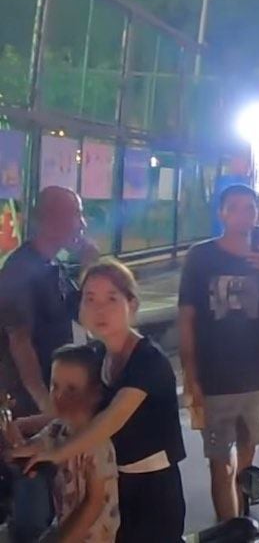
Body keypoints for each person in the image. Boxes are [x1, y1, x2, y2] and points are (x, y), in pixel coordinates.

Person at [17, 262, 186, 541]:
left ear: (131, 304)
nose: (100, 309)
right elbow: (73, 409)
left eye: (111, 298)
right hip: (112, 486)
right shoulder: (97, 354)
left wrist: (57, 453)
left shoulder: (149, 361)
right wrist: (22, 427)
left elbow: (109, 421)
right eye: (90, 298)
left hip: (152, 493)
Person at [178, 184, 259, 521]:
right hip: (215, 375)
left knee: (246, 457)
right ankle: (228, 526)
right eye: (236, 207)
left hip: (255, 373)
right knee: (219, 461)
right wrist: (190, 376)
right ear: (222, 213)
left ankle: (244, 522)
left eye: (250, 207)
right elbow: (187, 318)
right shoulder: (201, 256)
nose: (245, 213)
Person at [0, 186, 98, 542]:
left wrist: (90, 267)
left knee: (51, 486)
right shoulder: (20, 270)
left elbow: (84, 312)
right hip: (28, 401)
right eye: (77, 213)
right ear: (53, 219)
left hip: (53, 396)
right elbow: (19, 342)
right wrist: (44, 401)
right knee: (32, 484)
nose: (83, 223)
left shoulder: (53, 265)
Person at [7, 344, 119, 543]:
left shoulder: (96, 441)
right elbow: (23, 452)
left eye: (72, 389)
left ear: (95, 393)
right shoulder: (57, 429)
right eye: (54, 386)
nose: (59, 396)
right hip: (64, 522)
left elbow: (95, 503)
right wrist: (6, 420)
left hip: (93, 535)